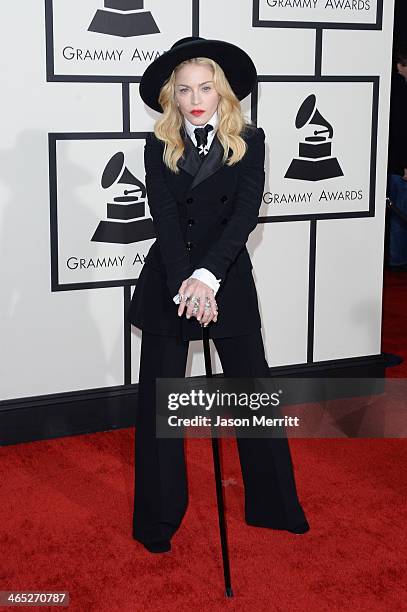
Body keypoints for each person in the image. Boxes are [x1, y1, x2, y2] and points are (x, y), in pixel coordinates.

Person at [127, 36, 310, 554]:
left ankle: (276, 506)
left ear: (223, 91)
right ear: (172, 97)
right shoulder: (157, 143)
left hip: (225, 277)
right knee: (159, 404)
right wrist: (186, 281)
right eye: (184, 90)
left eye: (205, 87)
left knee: (253, 396)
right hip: (170, 281)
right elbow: (164, 218)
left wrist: (208, 278)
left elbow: (245, 214)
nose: (195, 98)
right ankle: (159, 518)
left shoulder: (250, 140)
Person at [387, 41, 407, 268]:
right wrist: (401, 166)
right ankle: (398, 261)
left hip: (397, 166)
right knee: (399, 217)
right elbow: (398, 134)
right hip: (398, 169)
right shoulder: (397, 92)